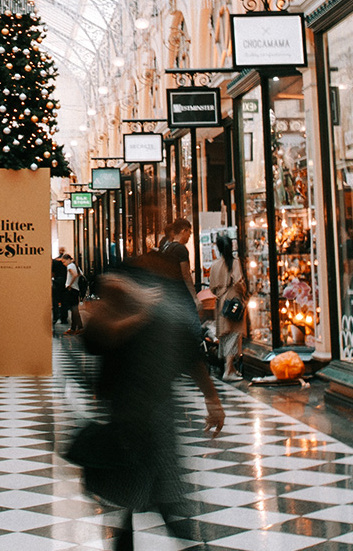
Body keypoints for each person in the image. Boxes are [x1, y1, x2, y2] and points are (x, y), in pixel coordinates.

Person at [69, 268, 225, 551]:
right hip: (129, 421)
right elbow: (98, 336)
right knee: (136, 503)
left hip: (152, 421)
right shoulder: (119, 318)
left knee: (160, 501)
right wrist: (140, 311)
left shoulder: (158, 318)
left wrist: (212, 400)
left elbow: (190, 358)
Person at [209, 231, 247, 380]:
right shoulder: (234, 262)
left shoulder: (215, 265)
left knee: (225, 335)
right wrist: (243, 294)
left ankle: (230, 367)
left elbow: (212, 287)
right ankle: (228, 371)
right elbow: (239, 282)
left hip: (221, 302)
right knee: (234, 333)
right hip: (233, 300)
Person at [63, 253, 84, 334]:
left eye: (64, 262)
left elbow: (74, 275)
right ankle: (76, 327)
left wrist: (69, 285)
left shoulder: (70, 266)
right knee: (74, 309)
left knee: (73, 309)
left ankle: (76, 328)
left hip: (72, 290)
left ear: (68, 259)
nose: (64, 264)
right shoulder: (76, 266)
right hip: (76, 290)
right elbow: (79, 274)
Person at [51, 248, 68, 328]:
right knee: (64, 300)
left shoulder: (55, 261)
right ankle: (64, 318)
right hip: (65, 281)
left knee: (55, 300)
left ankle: (55, 317)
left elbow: (52, 273)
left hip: (57, 282)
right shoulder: (66, 262)